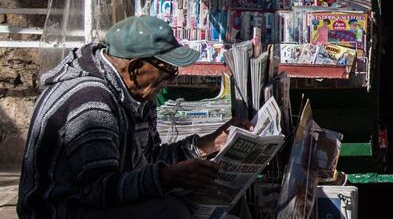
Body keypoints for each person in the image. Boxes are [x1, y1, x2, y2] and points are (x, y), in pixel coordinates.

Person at [17, 16, 250, 219]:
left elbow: (148, 158)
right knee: (170, 212)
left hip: (100, 199)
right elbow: (98, 190)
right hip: (62, 209)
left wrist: (208, 143)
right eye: (168, 71)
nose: (171, 80)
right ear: (136, 68)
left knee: (221, 195)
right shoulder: (91, 101)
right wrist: (167, 178)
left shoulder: (137, 93)